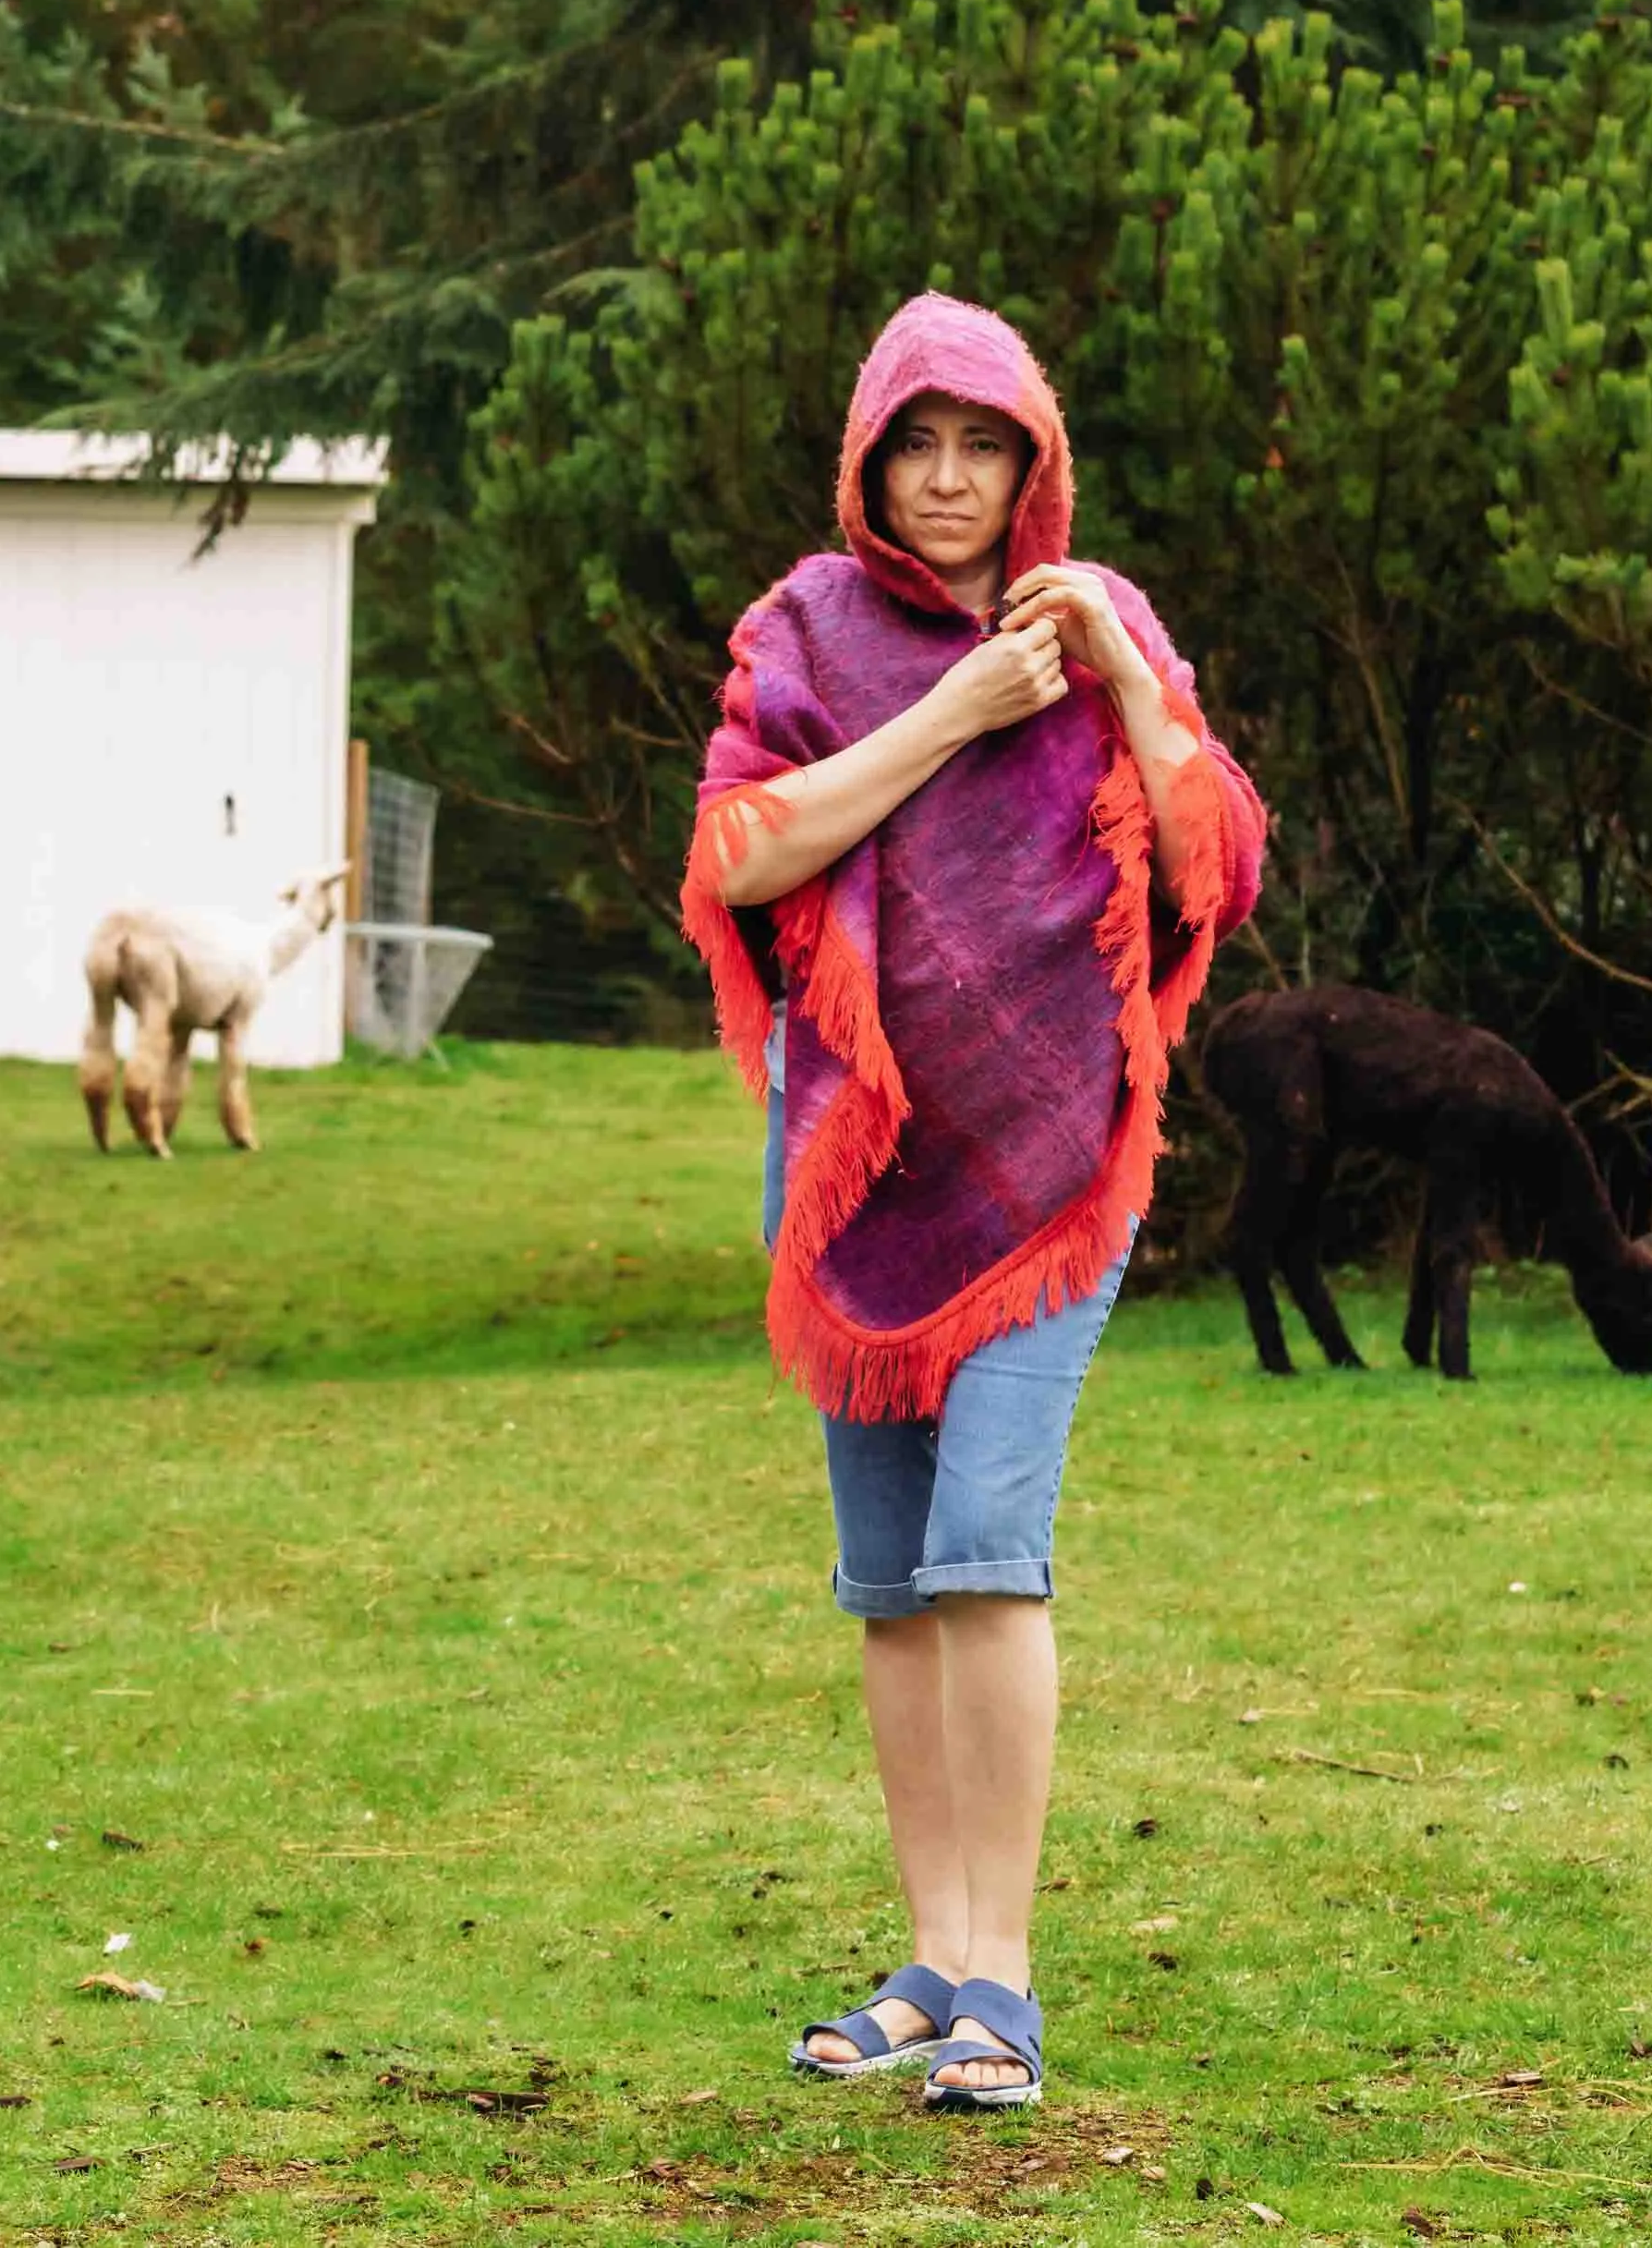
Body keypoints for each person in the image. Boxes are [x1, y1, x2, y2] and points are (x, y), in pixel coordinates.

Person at [679, 292, 1265, 2111]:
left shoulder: (1097, 620)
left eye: (981, 443)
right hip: (853, 1177)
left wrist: (1118, 674)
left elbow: (1214, 863)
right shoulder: (803, 624)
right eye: (915, 443)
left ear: (1032, 460)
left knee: (986, 1552)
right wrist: (947, 712)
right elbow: (742, 845)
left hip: (1054, 1166)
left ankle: (1003, 1980)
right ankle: (930, 1958)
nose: (947, 478)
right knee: (890, 1584)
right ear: (870, 458)